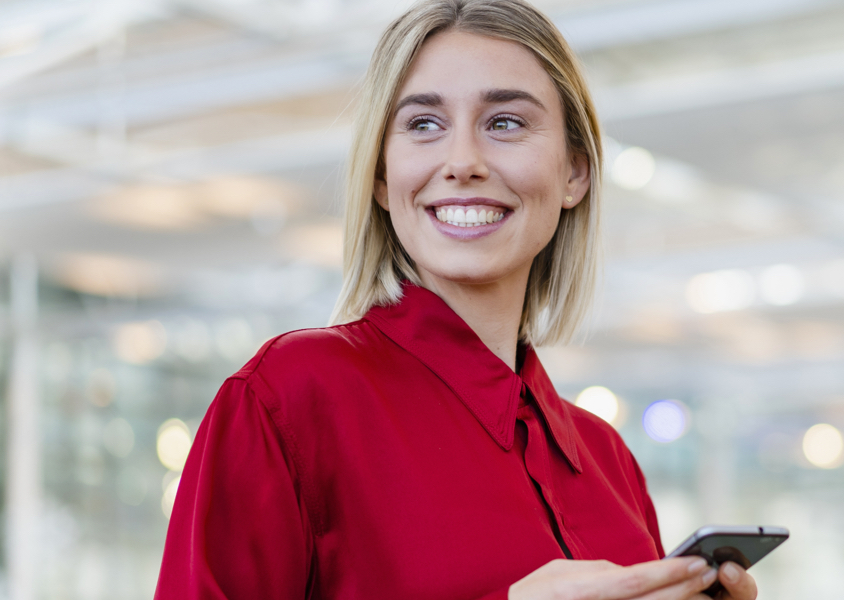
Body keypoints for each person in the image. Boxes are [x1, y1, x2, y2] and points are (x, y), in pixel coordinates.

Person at [154, 1, 759, 598]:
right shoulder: (286, 397)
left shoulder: (609, 461)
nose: (463, 161)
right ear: (383, 178)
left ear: (575, 172)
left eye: (505, 122)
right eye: (423, 124)